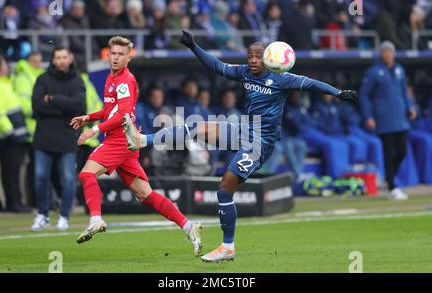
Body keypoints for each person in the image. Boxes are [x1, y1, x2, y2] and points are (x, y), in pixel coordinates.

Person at [123, 30, 357, 262]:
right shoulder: (245, 73)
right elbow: (217, 65)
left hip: (260, 142)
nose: (252, 61)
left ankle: (227, 247)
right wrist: (194, 46)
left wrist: (337, 93)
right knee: (197, 126)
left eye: (257, 57)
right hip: (245, 129)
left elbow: (312, 84)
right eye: (249, 57)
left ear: (267, 57)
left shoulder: (282, 77)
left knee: (225, 188)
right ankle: (144, 140)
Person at [70, 36, 202, 257]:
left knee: (86, 174)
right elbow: (111, 110)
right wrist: (89, 117)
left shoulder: (124, 81)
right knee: (145, 194)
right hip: (127, 141)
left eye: (121, 54)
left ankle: (96, 219)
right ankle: (189, 227)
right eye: (113, 53)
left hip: (120, 139)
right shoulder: (111, 78)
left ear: (128, 58)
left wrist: (94, 130)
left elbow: (121, 115)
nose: (115, 57)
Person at [30, 47, 86, 231]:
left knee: (68, 180)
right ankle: (42, 214)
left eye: (64, 57)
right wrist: (64, 108)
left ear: (70, 59)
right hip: (44, 137)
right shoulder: (42, 79)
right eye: (58, 57)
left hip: (67, 138)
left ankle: (64, 216)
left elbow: (79, 107)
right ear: (53, 60)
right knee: (40, 177)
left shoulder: (77, 81)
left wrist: (52, 99)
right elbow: (37, 106)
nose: (61, 60)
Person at [359, 41, 417, 200]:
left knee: (402, 151)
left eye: (389, 52)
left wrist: (411, 107)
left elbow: (405, 92)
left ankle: (389, 177)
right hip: (384, 118)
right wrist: (368, 116)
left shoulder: (399, 70)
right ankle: (392, 186)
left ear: (393, 54)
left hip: (401, 117)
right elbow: (364, 95)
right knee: (387, 152)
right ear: (381, 54)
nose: (387, 54)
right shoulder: (373, 72)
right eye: (384, 52)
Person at [0, 55, 29, 213]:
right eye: (4, 64)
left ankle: (17, 202)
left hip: (14, 137)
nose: (7, 67)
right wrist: (11, 132)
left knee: (14, 171)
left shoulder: (5, 84)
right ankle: (13, 203)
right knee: (10, 171)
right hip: (7, 138)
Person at [13, 51, 45, 207]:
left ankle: (40, 200)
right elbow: (22, 103)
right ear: (28, 61)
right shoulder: (23, 77)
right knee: (34, 168)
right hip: (30, 129)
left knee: (39, 168)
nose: (38, 64)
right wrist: (40, 111)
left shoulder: (41, 75)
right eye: (35, 61)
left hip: (40, 129)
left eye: (40, 61)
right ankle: (34, 200)